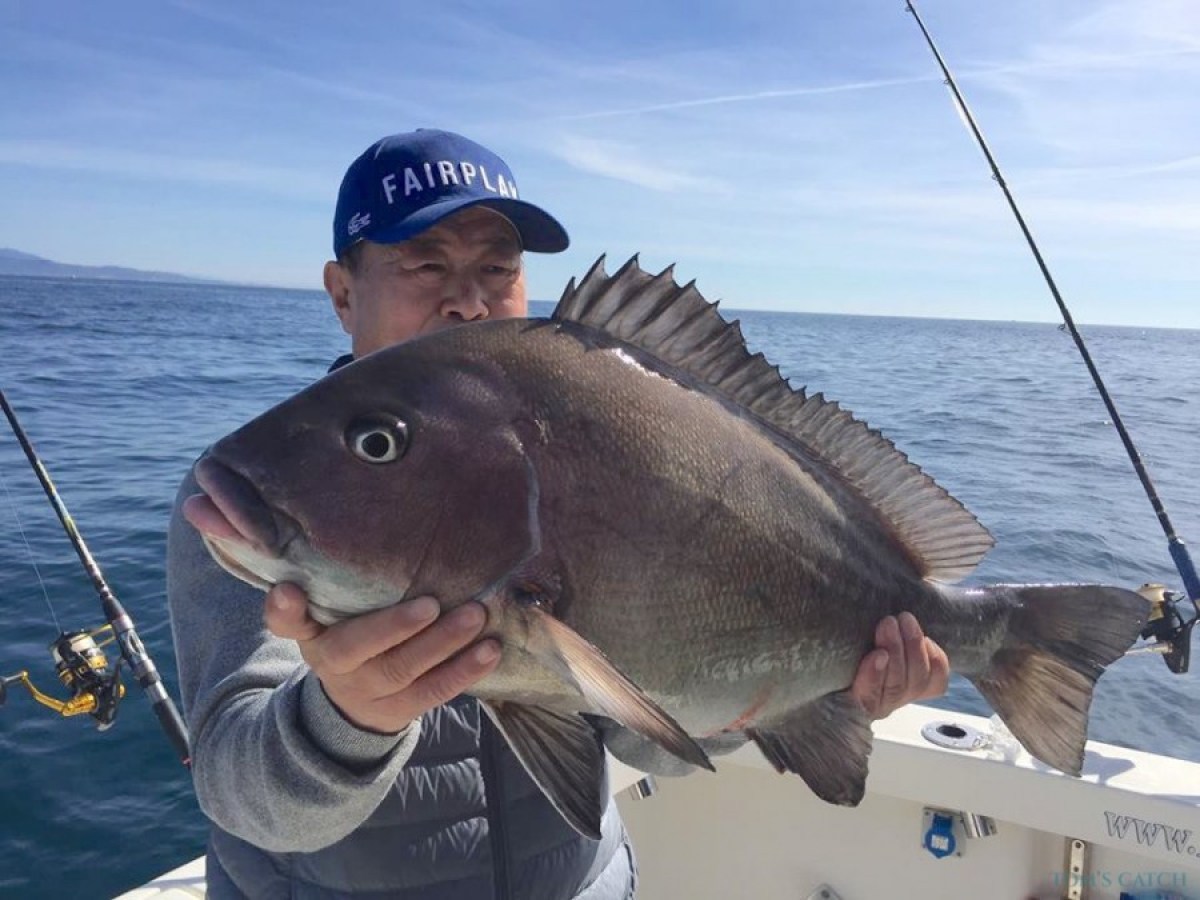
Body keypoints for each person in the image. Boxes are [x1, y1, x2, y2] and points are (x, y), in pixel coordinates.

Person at [167, 128, 951, 899]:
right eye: (425, 265)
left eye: (497, 269)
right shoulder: (268, 495)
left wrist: (805, 694)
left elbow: (652, 744)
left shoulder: (572, 441)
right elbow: (241, 795)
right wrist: (347, 717)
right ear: (344, 292)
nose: (468, 303)